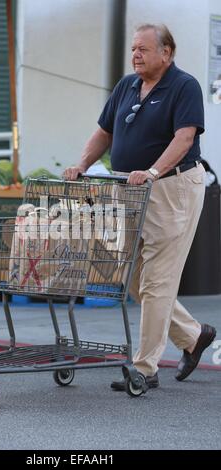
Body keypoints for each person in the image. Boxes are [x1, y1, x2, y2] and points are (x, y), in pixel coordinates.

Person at [63, 24, 216, 391]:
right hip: (129, 191)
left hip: (171, 187)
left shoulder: (184, 86)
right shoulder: (126, 86)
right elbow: (104, 132)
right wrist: (81, 164)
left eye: (144, 49)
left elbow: (185, 138)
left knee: (158, 279)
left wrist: (152, 171)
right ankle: (194, 336)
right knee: (132, 274)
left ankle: (145, 368)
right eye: (134, 48)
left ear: (167, 53)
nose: (136, 55)